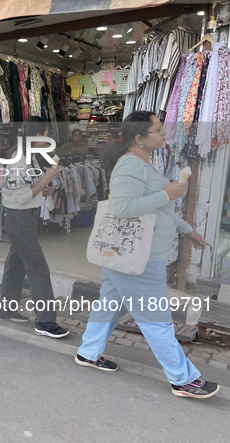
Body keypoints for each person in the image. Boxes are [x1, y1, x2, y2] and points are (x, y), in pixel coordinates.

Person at [75, 111, 219, 399]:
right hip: (139, 258)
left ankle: (89, 352)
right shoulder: (130, 166)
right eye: (158, 129)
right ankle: (183, 378)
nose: (164, 133)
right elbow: (124, 209)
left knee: (110, 306)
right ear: (139, 138)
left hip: (131, 255)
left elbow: (156, 212)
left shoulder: (143, 163)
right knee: (157, 320)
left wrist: (187, 230)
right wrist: (168, 193)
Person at [0, 117, 69, 338]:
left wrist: (45, 188)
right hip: (20, 220)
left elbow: (28, 190)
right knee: (38, 269)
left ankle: (6, 311)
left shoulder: (30, 158)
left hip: (25, 219)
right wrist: (47, 178)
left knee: (15, 265)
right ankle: (45, 322)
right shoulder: (21, 161)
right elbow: (20, 198)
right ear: (38, 136)